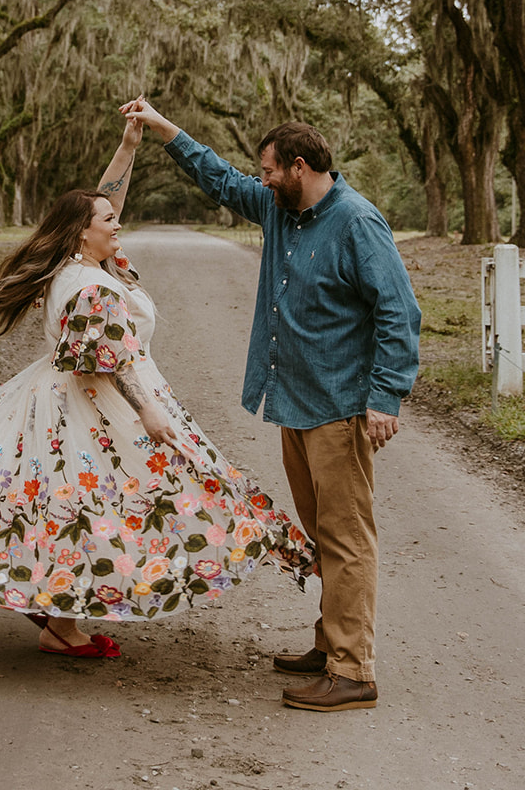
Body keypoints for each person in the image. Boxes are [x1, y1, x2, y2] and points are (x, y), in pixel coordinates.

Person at [0, 117, 316, 658]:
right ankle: (61, 623)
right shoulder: (91, 284)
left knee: (66, 507)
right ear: (82, 233)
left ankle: (57, 618)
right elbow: (105, 359)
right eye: (107, 221)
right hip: (93, 403)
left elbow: (105, 199)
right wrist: (147, 413)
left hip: (69, 397)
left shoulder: (87, 264)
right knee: (104, 502)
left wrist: (127, 147)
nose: (117, 224)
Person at [119, 101, 420, 710]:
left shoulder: (357, 223)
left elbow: (398, 312)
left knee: (346, 537)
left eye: (269, 171)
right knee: (321, 533)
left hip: (339, 407)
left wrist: (385, 397)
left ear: (299, 167)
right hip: (296, 402)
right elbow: (220, 178)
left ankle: (352, 670)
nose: (260, 181)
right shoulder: (281, 211)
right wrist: (162, 128)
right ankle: (331, 643)